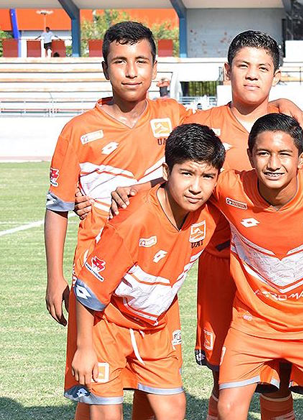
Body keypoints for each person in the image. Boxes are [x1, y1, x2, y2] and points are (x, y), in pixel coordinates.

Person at [45, 21, 190, 420]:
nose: (131, 71)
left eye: (141, 61)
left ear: (155, 67)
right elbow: (58, 207)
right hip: (97, 278)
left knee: (151, 388)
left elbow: (206, 159)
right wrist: (54, 277)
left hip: (154, 276)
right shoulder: (78, 131)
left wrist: (284, 105)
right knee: (95, 390)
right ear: (105, 68)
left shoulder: (174, 117)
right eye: (120, 61)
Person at [185, 30, 303, 420]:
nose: (252, 75)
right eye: (243, 65)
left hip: (277, 270)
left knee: (278, 376)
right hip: (221, 267)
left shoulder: (291, 125)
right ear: (227, 71)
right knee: (224, 375)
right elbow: (174, 182)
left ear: (276, 75)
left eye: (263, 67)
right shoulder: (201, 125)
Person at [68, 123, 225, 420]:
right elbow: (88, 289)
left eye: (207, 177)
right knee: (105, 413)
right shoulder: (133, 221)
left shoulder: (211, 213)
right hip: (108, 326)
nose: (196, 187)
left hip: (156, 327)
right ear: (166, 172)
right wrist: (83, 348)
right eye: (186, 173)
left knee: (173, 409)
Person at [211, 113, 303, 420]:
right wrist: (138, 189)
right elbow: (185, 180)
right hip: (254, 322)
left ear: (301, 158)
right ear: (250, 155)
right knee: (228, 408)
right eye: (264, 153)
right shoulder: (229, 187)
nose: (273, 164)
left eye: (284, 154)